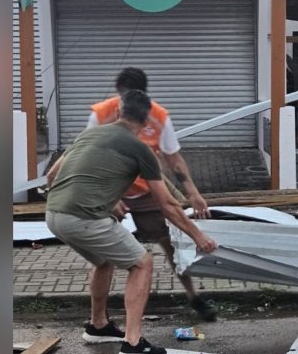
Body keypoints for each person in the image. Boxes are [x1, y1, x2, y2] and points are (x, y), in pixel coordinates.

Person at [45, 90, 217, 354]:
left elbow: (53, 175)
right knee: (142, 263)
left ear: (117, 112)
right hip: (84, 218)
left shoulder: (87, 135)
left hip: (54, 215)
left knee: (103, 260)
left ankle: (98, 326)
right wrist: (199, 236)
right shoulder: (140, 149)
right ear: (147, 120)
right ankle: (133, 344)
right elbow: (168, 205)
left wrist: (96, 201)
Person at [86, 67, 218, 321]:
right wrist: (110, 198)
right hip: (109, 190)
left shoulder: (157, 116)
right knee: (102, 256)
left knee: (172, 243)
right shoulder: (101, 114)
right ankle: (98, 319)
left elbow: (174, 159)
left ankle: (194, 297)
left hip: (147, 189)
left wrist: (193, 193)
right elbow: (87, 159)